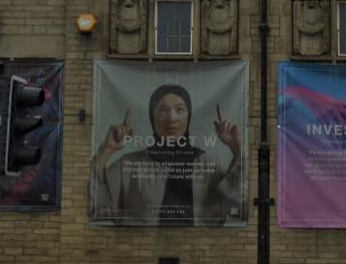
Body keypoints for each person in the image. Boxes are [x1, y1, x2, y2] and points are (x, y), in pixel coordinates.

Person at [91, 84, 243, 226]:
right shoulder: (129, 164)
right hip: (142, 249)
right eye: (163, 110)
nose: (171, 118)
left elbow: (239, 208)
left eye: (180, 110)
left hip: (198, 249)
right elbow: (93, 206)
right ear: (152, 117)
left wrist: (237, 148)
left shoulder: (209, 164)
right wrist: (107, 149)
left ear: (189, 117)